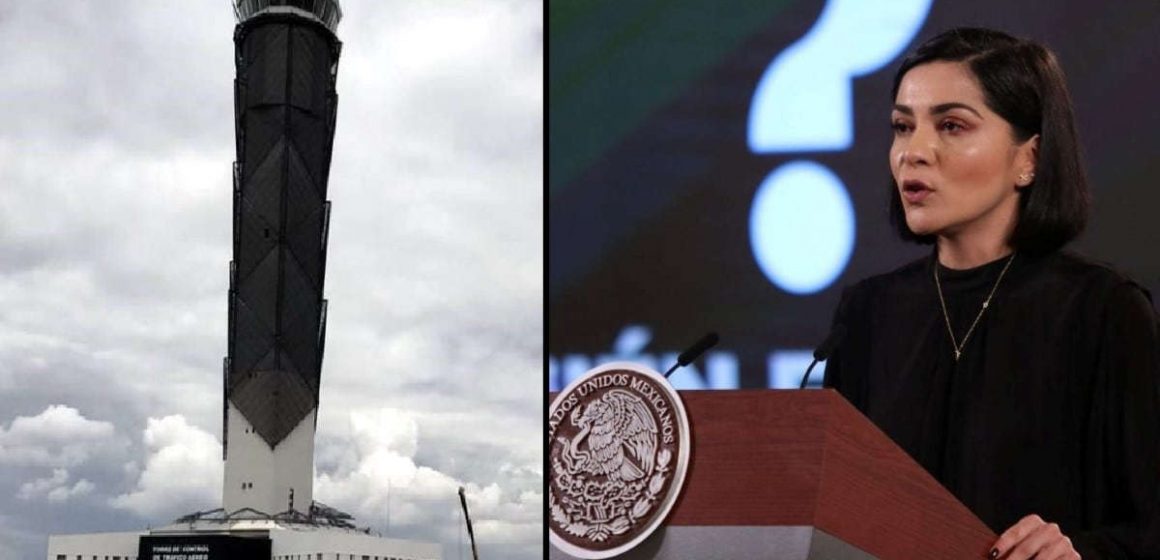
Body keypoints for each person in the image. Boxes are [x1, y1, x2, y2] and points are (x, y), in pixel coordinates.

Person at [823, 28, 1160, 559]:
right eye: (902, 127)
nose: (914, 152)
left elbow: (1149, 528)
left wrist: (1078, 552)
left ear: (1030, 157)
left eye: (952, 126)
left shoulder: (1102, 311)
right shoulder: (868, 313)